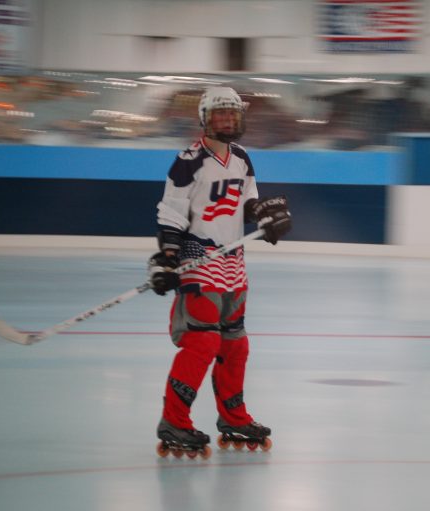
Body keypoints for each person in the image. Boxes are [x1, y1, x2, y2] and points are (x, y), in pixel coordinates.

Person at [148, 86, 292, 457]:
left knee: (235, 343)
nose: (227, 120)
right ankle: (174, 421)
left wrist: (265, 217)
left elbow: (247, 203)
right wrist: (167, 256)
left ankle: (234, 416)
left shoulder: (243, 158)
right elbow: (172, 212)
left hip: (233, 262)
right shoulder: (188, 160)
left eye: (232, 114)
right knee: (203, 341)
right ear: (205, 119)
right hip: (198, 259)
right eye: (219, 114)